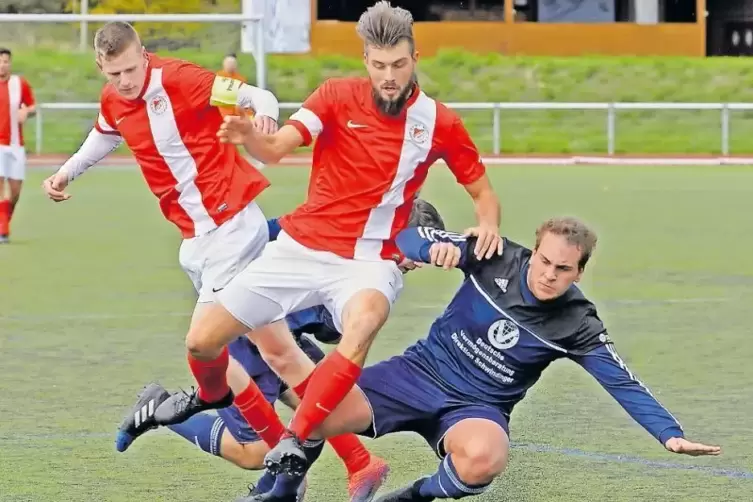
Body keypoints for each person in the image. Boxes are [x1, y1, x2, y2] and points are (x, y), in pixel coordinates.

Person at [152, 1, 503, 480]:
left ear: (415, 57)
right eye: (379, 65)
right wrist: (247, 137)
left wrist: (488, 223)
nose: (389, 76)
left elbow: (481, 190)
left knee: (364, 322)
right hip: (299, 248)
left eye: (399, 64)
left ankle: (297, 438)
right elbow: (277, 147)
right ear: (366, 61)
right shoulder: (336, 96)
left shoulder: (439, 122)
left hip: (368, 261)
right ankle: (212, 395)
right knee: (201, 342)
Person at [38, 23, 334, 492]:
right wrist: (65, 173)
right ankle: (291, 454)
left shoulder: (179, 78)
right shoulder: (114, 98)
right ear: (102, 66)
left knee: (222, 351)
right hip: (198, 241)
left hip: (231, 228)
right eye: (116, 73)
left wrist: (266, 118)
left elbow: (259, 95)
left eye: (132, 68)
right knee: (273, 364)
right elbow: (105, 133)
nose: (127, 80)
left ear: (144, 55)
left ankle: (227, 422)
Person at [258, 216, 721, 502]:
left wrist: (669, 434)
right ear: (533, 251)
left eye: (563, 270)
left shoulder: (577, 321)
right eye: (543, 261)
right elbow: (410, 234)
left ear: (579, 272)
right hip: (416, 374)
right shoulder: (494, 255)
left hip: (476, 407)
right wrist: (429, 248)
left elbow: (622, 382)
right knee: (314, 414)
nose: (548, 275)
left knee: (484, 459)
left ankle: (415, 496)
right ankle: (281, 495)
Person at [121, 199, 445, 502]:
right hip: (247, 334)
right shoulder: (329, 244)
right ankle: (161, 409)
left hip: (284, 335)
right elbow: (267, 235)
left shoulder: (368, 265)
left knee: (321, 408)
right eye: (419, 249)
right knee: (256, 451)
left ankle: (333, 471)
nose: (420, 261)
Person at [0, 47, 36, 244]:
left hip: (16, 145)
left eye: (6, 61)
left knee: (14, 193)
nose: (3, 65)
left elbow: (32, 106)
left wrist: (27, 112)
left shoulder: (19, 84)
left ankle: (3, 221)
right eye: (0, 61)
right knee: (2, 189)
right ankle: (3, 231)